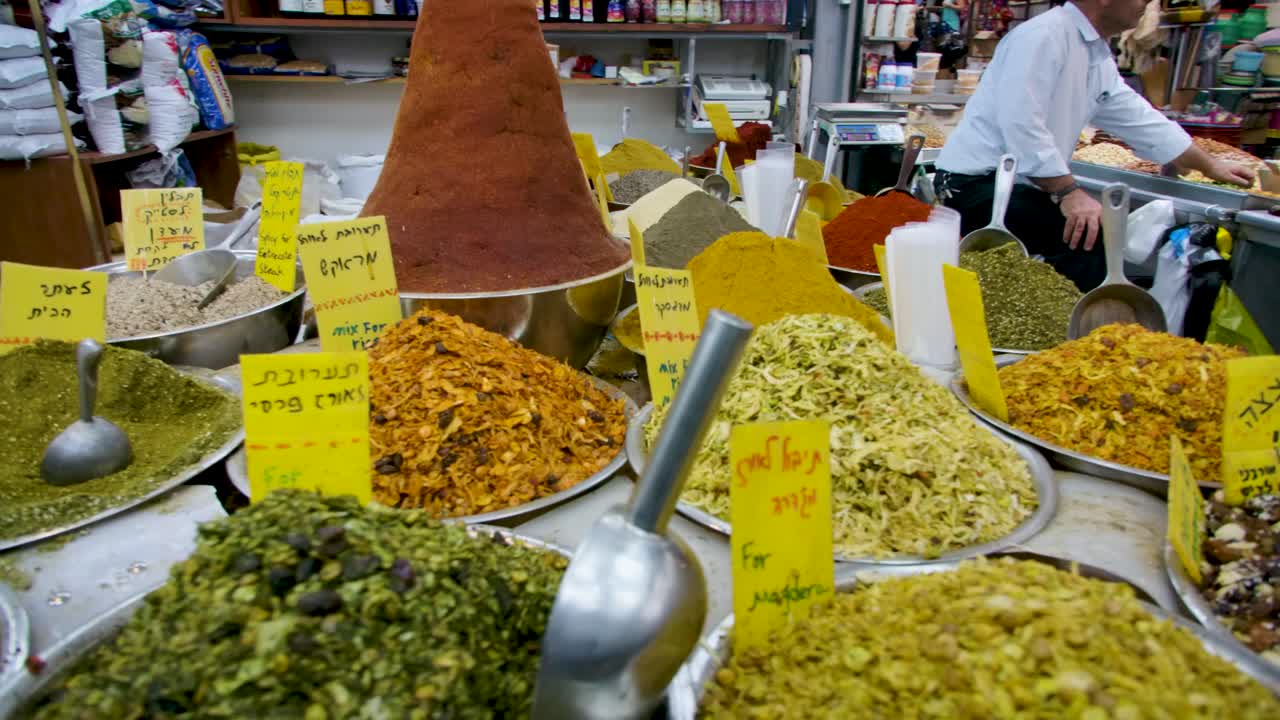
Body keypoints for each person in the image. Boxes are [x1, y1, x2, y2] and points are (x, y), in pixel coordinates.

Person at [934, 0, 1256, 290]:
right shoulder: (1044, 36)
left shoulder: (1094, 53)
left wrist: (1209, 164)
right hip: (973, 182)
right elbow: (1022, 122)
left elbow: (1136, 116)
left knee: (1087, 234)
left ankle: (1078, 333)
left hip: (1017, 181)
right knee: (1083, 233)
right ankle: (1074, 338)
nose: (1147, 4)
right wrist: (1067, 193)